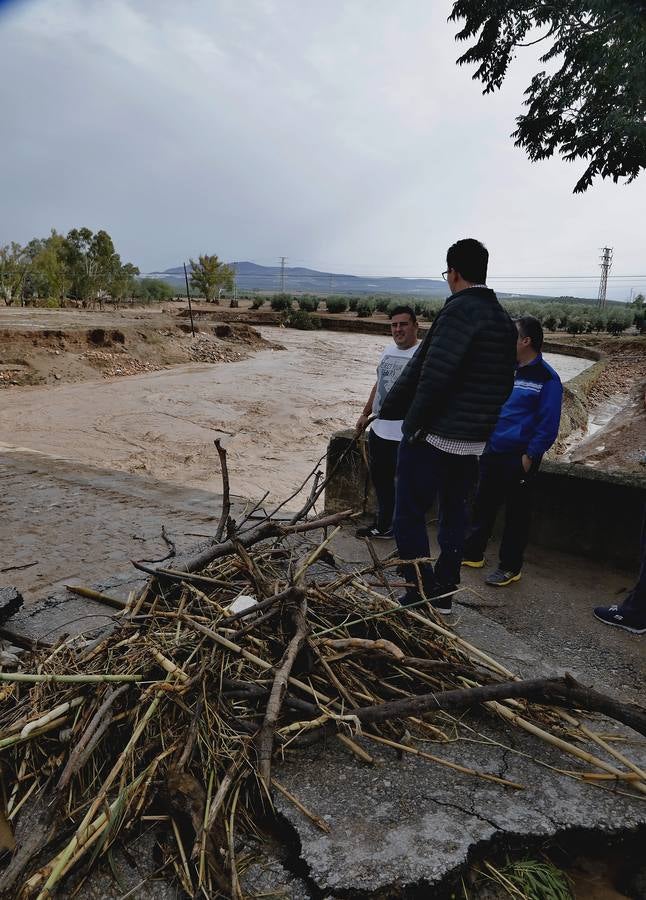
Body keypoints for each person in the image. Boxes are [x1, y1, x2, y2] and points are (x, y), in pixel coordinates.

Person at [379, 238, 517, 614]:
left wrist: (407, 424)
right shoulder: (504, 321)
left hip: (436, 438)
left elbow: (430, 375)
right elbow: (505, 384)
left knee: (407, 513)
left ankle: (417, 588)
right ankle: (444, 593)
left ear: (453, 272)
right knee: (455, 515)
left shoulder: (458, 312)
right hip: (473, 443)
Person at [462, 315, 563, 586]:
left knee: (517, 515)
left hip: (519, 458)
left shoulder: (547, 378)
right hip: (493, 450)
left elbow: (549, 424)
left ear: (525, 341)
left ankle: (510, 567)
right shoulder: (508, 370)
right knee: (483, 504)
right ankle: (472, 553)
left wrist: (530, 456)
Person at [355, 306, 420, 539]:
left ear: (415, 326)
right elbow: (378, 383)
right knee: (381, 484)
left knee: (406, 488)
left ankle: (403, 533)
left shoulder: (422, 355)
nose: (398, 329)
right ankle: (383, 527)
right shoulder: (388, 350)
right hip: (379, 431)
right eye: (394, 325)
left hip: (404, 435)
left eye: (403, 324)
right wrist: (365, 414)